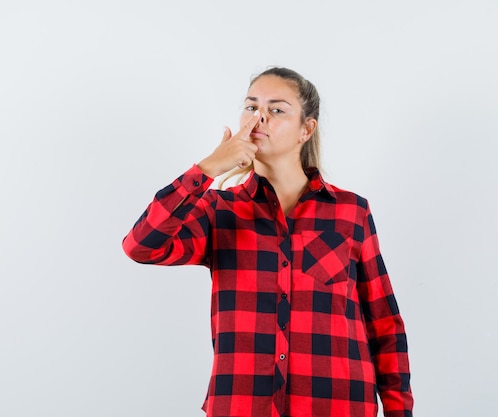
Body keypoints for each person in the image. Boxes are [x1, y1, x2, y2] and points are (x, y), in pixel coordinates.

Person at [122, 67, 413, 417]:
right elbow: (141, 245)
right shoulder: (219, 211)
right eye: (251, 107)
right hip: (242, 406)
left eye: (276, 110)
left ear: (306, 129)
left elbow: (383, 323)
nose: (259, 117)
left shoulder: (351, 212)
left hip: (336, 405)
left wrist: (400, 411)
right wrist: (209, 168)